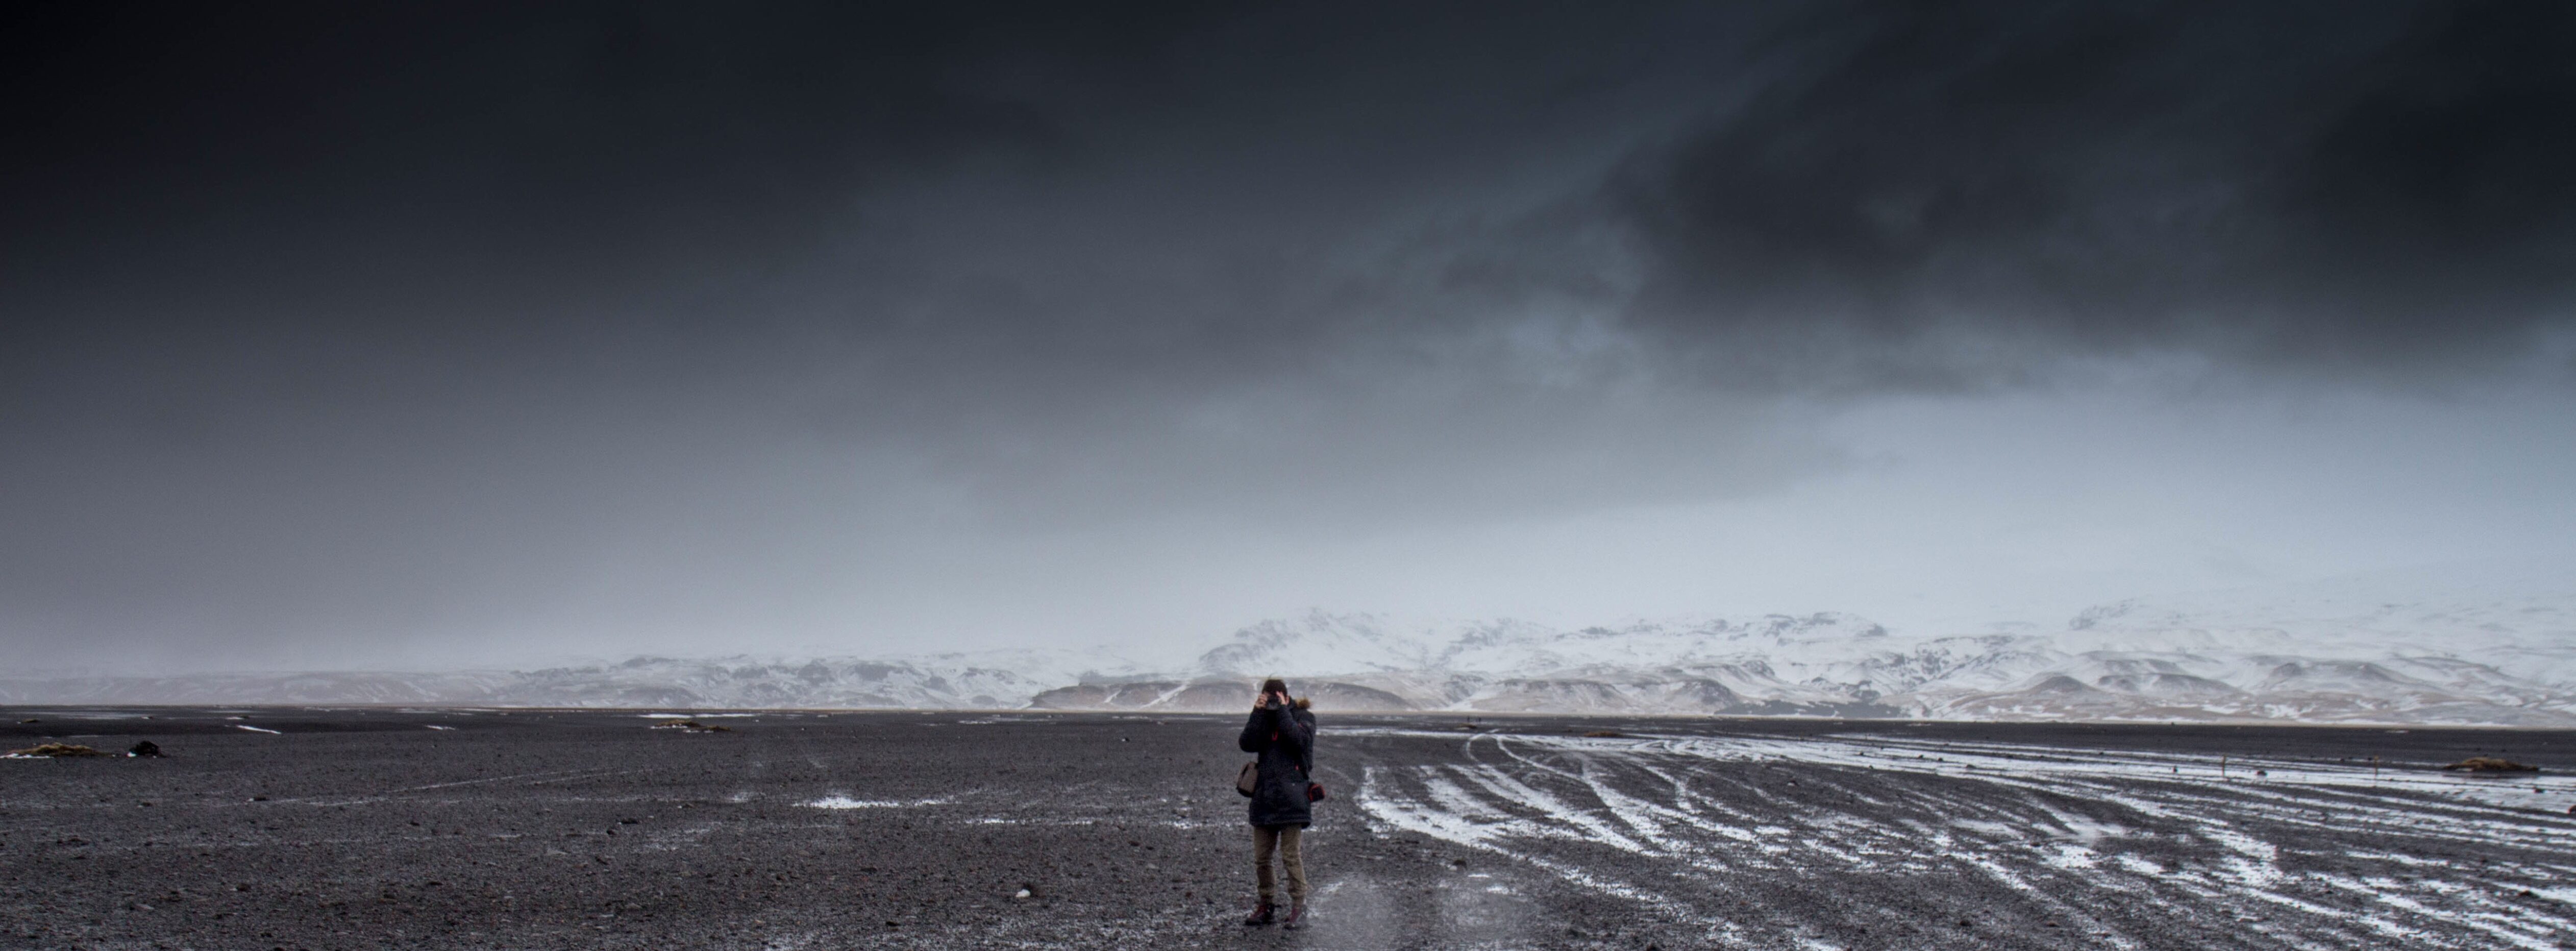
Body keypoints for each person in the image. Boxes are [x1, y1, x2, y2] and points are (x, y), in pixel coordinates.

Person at [1238, 676, 1316, 928]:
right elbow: (1247, 743)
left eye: (1276, 698)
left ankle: (1299, 907)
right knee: (1262, 857)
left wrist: (1281, 711)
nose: (1272, 702)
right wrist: (1258, 712)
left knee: (1290, 856)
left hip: (1293, 797)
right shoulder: (1264, 717)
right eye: (1267, 698)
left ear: (1286, 697)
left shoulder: (1304, 717)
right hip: (1265, 797)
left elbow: (1299, 741)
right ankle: (1266, 905)